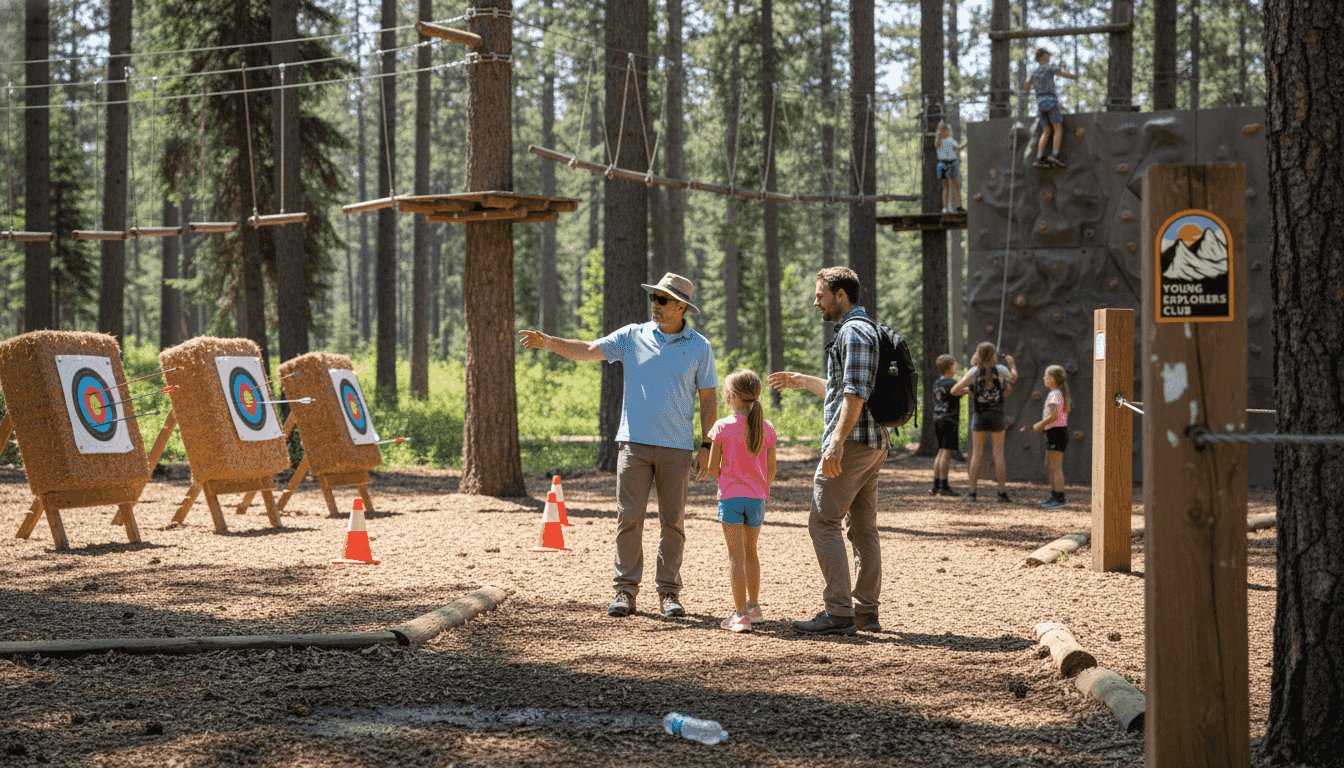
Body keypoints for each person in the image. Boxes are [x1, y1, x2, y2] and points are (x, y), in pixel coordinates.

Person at [519, 273, 718, 619]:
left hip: (676, 448)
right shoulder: (631, 336)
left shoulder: (699, 347)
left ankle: (669, 593)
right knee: (629, 518)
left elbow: (709, 398)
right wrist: (550, 342)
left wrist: (706, 445)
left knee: (673, 522)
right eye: (653, 298)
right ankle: (625, 590)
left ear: (681, 306)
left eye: (662, 299)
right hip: (634, 446)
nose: (654, 305)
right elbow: (588, 350)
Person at [768, 267, 888, 636]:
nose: (815, 301)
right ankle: (866, 612)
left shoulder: (853, 332)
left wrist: (836, 441)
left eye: (820, 295)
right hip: (871, 443)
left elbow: (856, 393)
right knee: (863, 528)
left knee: (823, 522)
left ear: (840, 295)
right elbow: (841, 389)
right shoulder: (867, 331)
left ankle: (838, 612)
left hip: (851, 444)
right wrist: (803, 381)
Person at [707, 370, 777, 633]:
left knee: (735, 556)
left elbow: (714, 467)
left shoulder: (722, 427)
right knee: (751, 553)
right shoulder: (767, 427)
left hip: (731, 497)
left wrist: (727, 479)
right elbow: (771, 471)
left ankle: (739, 615)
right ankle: (754, 608)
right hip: (758, 498)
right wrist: (758, 485)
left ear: (732, 397)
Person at [951, 341, 1017, 503]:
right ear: (993, 354)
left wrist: (971, 391)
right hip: (997, 415)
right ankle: (1001, 493)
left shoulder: (973, 372)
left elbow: (954, 390)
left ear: (978, 354)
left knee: (976, 454)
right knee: (998, 453)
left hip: (979, 416)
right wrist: (1012, 364)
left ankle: (972, 493)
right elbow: (1013, 378)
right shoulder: (1001, 370)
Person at [1022, 364, 1071, 508]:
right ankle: (1054, 495)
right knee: (1049, 465)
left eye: (1046, 376)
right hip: (1052, 432)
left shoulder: (1055, 394)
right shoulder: (1055, 393)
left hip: (1057, 432)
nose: (1044, 378)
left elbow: (1054, 416)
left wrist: (1040, 424)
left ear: (1052, 379)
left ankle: (1060, 498)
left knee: (1056, 467)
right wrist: (1045, 429)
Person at [1022, 48, 1079, 169]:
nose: (1048, 60)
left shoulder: (1034, 72)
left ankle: (1038, 158)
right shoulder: (1049, 67)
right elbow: (1062, 73)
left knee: (1046, 131)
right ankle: (1054, 155)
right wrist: (1074, 76)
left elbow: (1026, 87)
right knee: (1058, 129)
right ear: (1044, 58)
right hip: (1051, 101)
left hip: (1040, 103)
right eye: (1047, 58)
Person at [930, 354, 962, 497]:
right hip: (949, 420)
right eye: (955, 364)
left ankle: (936, 485)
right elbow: (962, 390)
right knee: (947, 452)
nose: (956, 366)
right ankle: (944, 485)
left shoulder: (938, 383)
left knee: (941, 451)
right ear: (950, 367)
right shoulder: (951, 382)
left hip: (938, 418)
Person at [935, 122, 968, 214]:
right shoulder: (940, 140)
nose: (947, 132)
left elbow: (957, 148)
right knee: (948, 187)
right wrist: (938, 135)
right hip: (945, 164)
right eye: (945, 131)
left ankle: (957, 207)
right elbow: (939, 145)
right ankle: (946, 208)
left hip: (948, 163)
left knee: (953, 186)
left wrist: (965, 145)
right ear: (942, 132)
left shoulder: (949, 140)